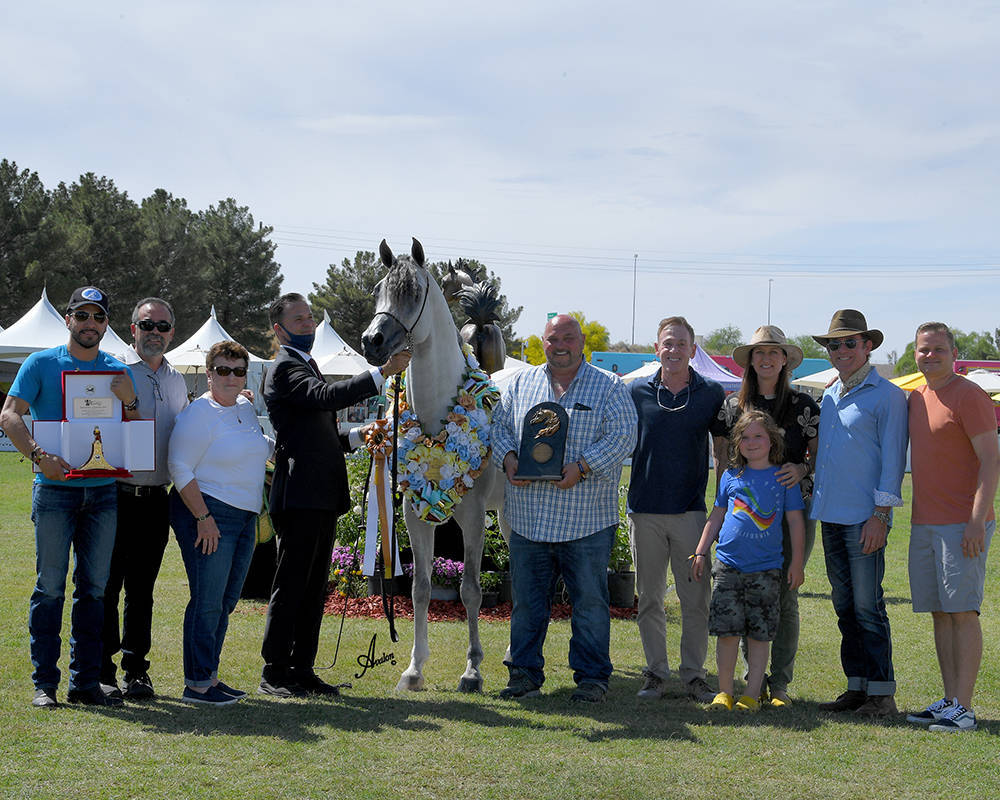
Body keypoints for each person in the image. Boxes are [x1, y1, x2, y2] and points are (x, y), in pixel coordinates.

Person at [259, 293, 409, 698]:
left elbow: (320, 432)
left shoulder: (305, 366)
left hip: (319, 494)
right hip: (300, 496)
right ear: (279, 329)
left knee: (312, 587)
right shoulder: (285, 368)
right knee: (291, 585)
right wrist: (381, 373)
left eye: (309, 317)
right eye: (299, 319)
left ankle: (302, 668)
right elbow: (326, 399)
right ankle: (275, 670)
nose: (308, 325)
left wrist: (359, 436)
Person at [0, 286, 139, 708]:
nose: (90, 324)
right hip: (54, 494)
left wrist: (129, 399)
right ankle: (45, 683)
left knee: (94, 590)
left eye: (98, 317)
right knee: (49, 588)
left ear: (106, 324)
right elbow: (9, 414)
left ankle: (85, 683)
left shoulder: (117, 370)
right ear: (68, 319)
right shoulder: (40, 363)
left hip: (102, 495)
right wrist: (40, 456)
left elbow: (133, 428)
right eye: (82, 316)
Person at [492, 314, 637, 703]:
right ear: (544, 342)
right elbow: (500, 426)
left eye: (568, 338)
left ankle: (591, 678)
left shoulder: (608, 386)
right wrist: (507, 457)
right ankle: (523, 675)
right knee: (526, 604)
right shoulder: (521, 383)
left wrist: (583, 467)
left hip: (586, 519)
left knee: (589, 603)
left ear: (582, 340)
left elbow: (624, 436)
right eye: (553, 339)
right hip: (528, 519)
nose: (561, 345)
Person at [714, 325, 820, 706]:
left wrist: (804, 470)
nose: (766, 358)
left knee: (785, 594)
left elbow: (820, 452)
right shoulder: (732, 405)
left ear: (785, 359)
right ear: (750, 360)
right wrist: (721, 503)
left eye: (774, 352)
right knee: (742, 593)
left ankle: (780, 686)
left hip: (792, 509)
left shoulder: (804, 405)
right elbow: (722, 454)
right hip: (742, 512)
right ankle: (749, 684)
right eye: (760, 352)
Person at [810, 309, 908, 718]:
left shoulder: (888, 395)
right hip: (831, 515)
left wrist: (881, 515)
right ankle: (857, 686)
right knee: (844, 605)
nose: (842, 349)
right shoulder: (830, 395)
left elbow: (893, 459)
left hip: (865, 517)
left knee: (869, 606)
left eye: (850, 342)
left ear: (868, 346)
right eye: (835, 344)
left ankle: (882, 694)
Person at [904, 322, 1000, 732]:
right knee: (940, 614)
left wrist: (976, 520)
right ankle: (949, 701)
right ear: (915, 354)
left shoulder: (970, 395)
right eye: (924, 350)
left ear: (953, 353)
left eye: (938, 349)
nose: (930, 356)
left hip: (964, 523)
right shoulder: (917, 398)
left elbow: (991, 461)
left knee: (962, 611)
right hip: (925, 521)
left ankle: (965, 706)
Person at [168, 340, 274, 706]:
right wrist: (204, 518)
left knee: (226, 601)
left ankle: (209, 676)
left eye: (238, 370)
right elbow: (179, 467)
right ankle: (196, 684)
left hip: (243, 517)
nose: (231, 377)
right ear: (209, 373)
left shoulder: (244, 407)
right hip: (208, 512)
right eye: (223, 370)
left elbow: (261, 446)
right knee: (208, 600)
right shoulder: (199, 413)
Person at [627, 316, 727, 702]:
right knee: (649, 598)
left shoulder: (710, 393)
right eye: (667, 343)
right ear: (657, 349)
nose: (673, 350)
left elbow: (721, 453)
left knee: (695, 601)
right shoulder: (636, 391)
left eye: (681, 344)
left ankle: (693, 675)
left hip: (690, 513)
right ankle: (655, 673)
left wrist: (722, 501)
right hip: (645, 511)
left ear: (693, 350)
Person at [100, 298, 188, 701]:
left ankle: (136, 670)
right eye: (147, 324)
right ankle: (102, 669)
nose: (155, 332)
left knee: (142, 590)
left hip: (157, 498)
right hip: (113, 495)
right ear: (132, 328)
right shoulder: (112, 373)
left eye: (163, 326)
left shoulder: (176, 380)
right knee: (106, 585)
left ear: (173, 332)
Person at [692, 411, 805, 712]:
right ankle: (725, 692)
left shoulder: (784, 478)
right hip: (727, 567)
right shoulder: (730, 476)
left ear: (772, 441)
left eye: (759, 436)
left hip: (766, 570)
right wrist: (702, 550)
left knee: (759, 635)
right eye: (745, 437)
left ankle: (752, 694)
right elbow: (717, 515)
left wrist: (797, 565)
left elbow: (795, 522)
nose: (752, 442)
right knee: (727, 633)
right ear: (736, 443)